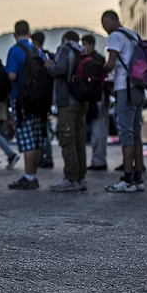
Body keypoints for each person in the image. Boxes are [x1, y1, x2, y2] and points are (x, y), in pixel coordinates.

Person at [101, 10, 146, 192]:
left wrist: (100, 71)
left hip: (124, 88)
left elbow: (110, 64)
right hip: (138, 88)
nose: (104, 27)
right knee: (136, 134)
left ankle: (127, 179)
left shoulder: (115, 36)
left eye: (105, 23)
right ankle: (138, 178)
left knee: (126, 134)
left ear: (112, 20)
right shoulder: (132, 34)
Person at [5, 20, 49, 190]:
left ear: (14, 34)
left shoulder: (15, 50)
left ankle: (28, 177)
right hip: (39, 101)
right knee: (37, 140)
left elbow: (11, 76)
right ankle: (33, 175)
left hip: (21, 100)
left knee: (26, 140)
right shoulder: (37, 50)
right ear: (29, 33)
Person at [46, 30, 88, 191]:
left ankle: (71, 178)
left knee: (67, 139)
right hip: (80, 100)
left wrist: (50, 66)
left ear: (64, 39)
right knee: (79, 140)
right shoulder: (82, 50)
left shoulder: (65, 48)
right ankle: (80, 177)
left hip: (67, 101)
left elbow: (59, 69)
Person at [81, 34, 109, 171]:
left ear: (91, 45)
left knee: (98, 131)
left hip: (96, 98)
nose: (83, 47)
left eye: (85, 44)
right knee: (98, 130)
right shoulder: (99, 59)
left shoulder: (93, 60)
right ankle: (98, 159)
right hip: (97, 98)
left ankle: (99, 161)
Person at [31, 31, 55, 169]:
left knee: (41, 130)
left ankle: (47, 157)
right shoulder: (47, 55)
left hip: (39, 98)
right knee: (44, 128)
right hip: (47, 97)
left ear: (34, 41)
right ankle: (46, 156)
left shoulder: (36, 56)